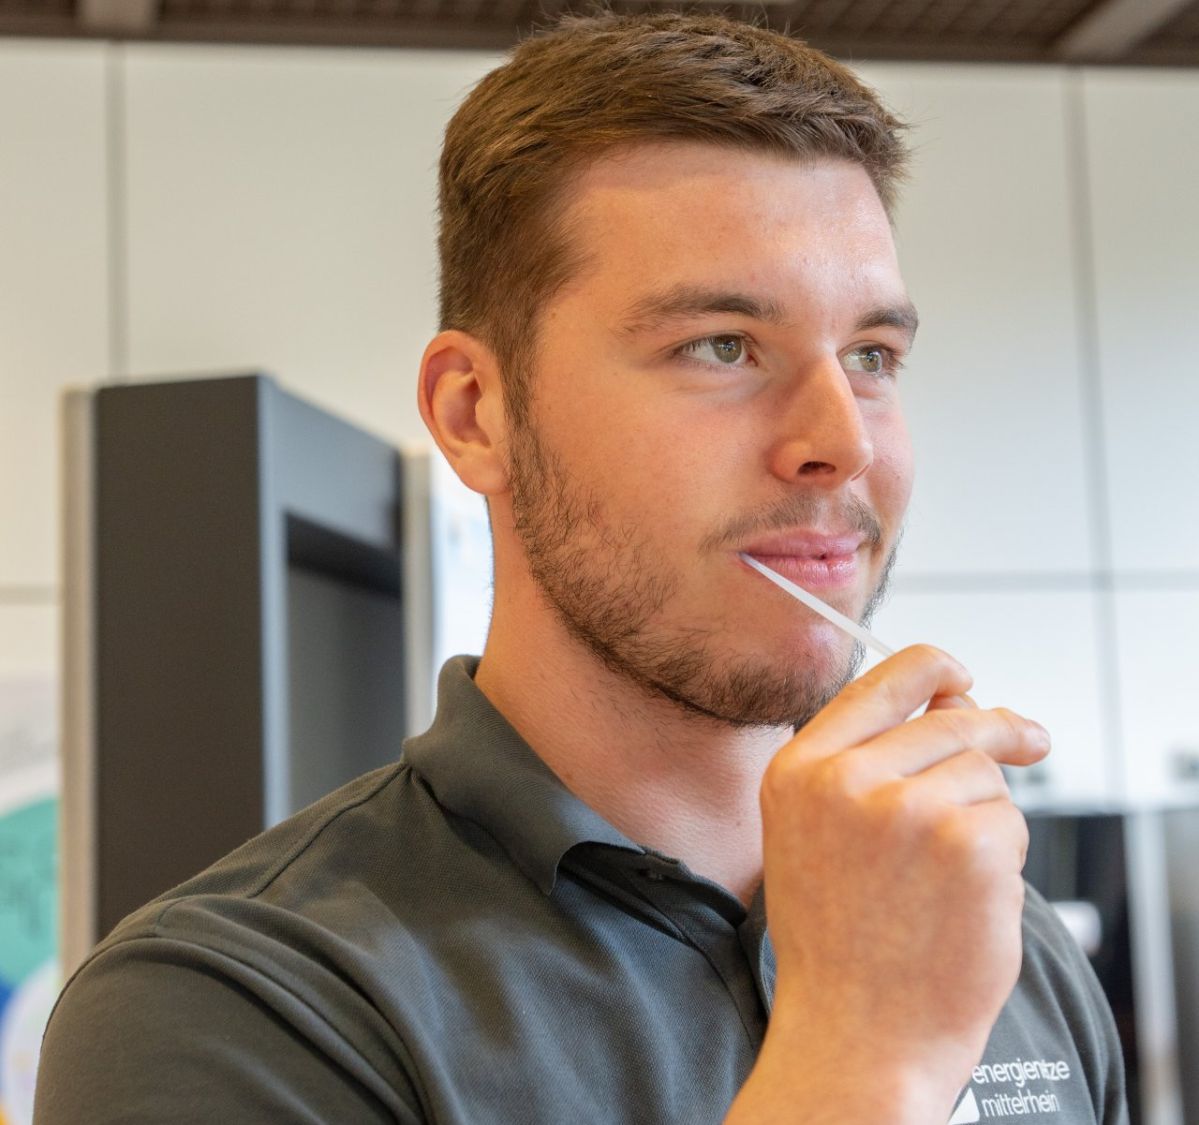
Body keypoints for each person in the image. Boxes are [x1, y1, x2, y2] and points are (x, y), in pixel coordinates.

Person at [34, 11, 1127, 1124]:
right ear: (476, 413)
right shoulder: (230, 1007)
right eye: (720, 345)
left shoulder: (994, 933)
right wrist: (864, 1051)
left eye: (870, 356)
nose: (840, 441)